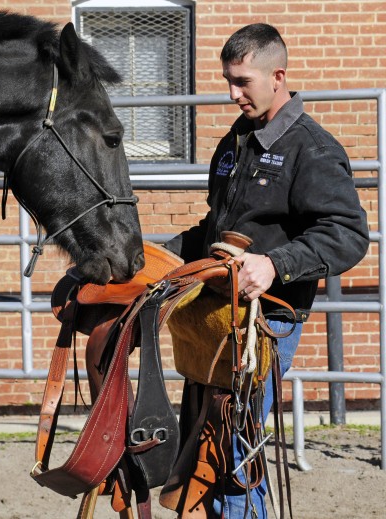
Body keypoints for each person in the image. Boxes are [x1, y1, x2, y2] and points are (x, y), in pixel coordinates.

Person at [164, 23, 369, 518]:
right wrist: (153, 257)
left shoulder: (312, 149)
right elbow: (213, 228)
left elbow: (348, 234)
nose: (233, 94)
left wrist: (275, 264)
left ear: (277, 76)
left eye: (243, 82)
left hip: (268, 321)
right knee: (208, 445)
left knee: (236, 449)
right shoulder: (237, 141)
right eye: (228, 81)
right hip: (216, 318)